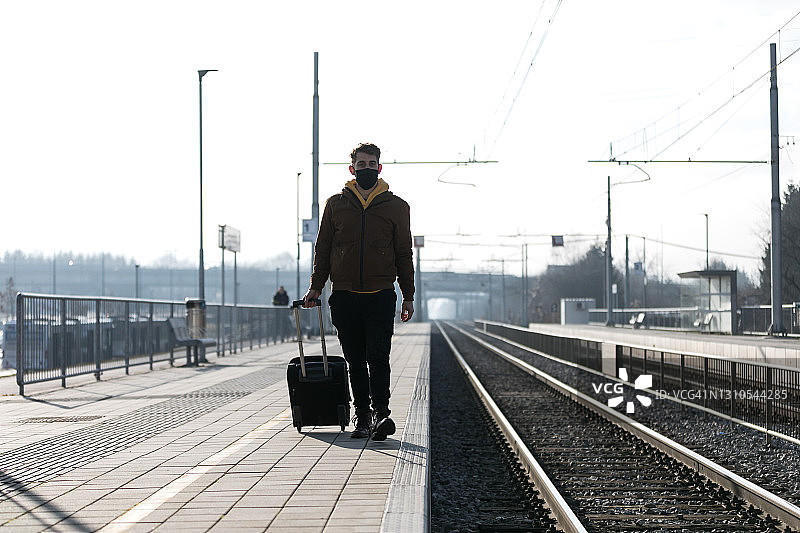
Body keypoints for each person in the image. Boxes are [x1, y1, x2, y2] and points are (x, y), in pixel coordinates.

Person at [302, 142, 414, 440]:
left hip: (381, 294)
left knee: (378, 356)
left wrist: (409, 294)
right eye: (360, 165)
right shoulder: (336, 204)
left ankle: (381, 415)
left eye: (371, 164)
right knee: (354, 359)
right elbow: (323, 248)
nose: (366, 169)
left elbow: (404, 253)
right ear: (352, 170)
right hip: (344, 295)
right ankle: (362, 416)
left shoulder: (397, 207)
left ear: (380, 167)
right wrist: (316, 286)